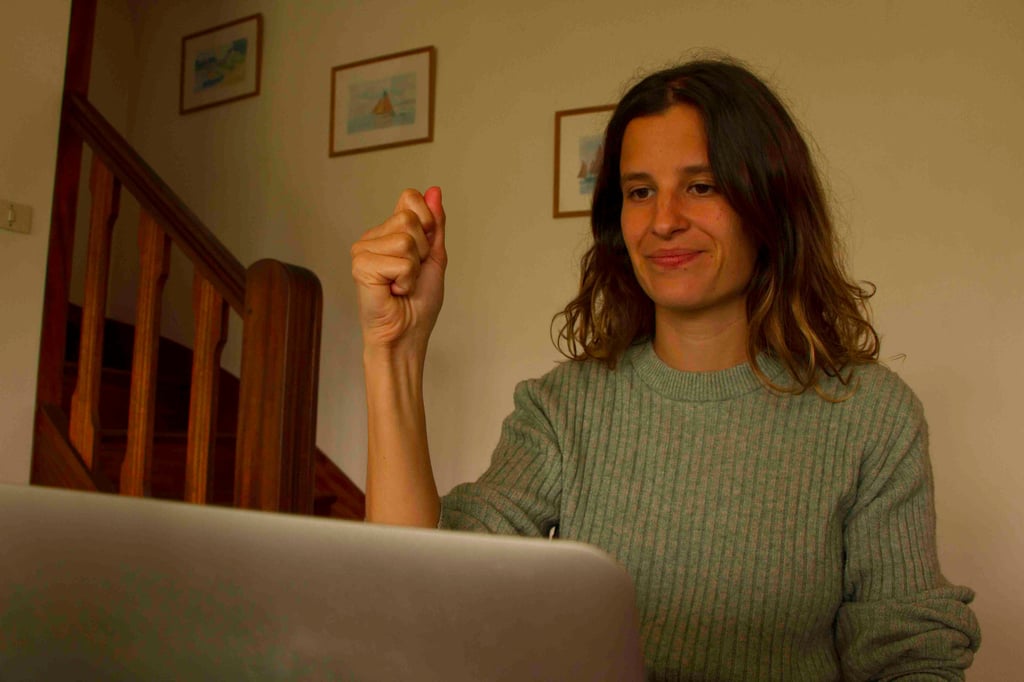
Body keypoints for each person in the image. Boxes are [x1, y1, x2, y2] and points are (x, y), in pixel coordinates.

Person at [350, 57, 981, 680]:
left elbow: (908, 657)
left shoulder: (872, 415)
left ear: (770, 206)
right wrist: (393, 349)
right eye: (640, 191)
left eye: (702, 186)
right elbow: (426, 593)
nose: (664, 220)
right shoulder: (563, 408)